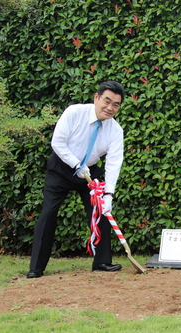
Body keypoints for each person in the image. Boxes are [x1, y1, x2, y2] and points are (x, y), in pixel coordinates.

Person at [27, 81, 126, 278]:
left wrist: (108, 195)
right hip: (62, 167)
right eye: (107, 101)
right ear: (96, 98)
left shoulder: (115, 130)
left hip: (90, 171)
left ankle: (102, 262)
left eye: (116, 104)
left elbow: (114, 163)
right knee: (49, 213)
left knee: (101, 211)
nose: (110, 108)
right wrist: (76, 164)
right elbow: (58, 142)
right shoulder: (74, 113)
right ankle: (36, 267)